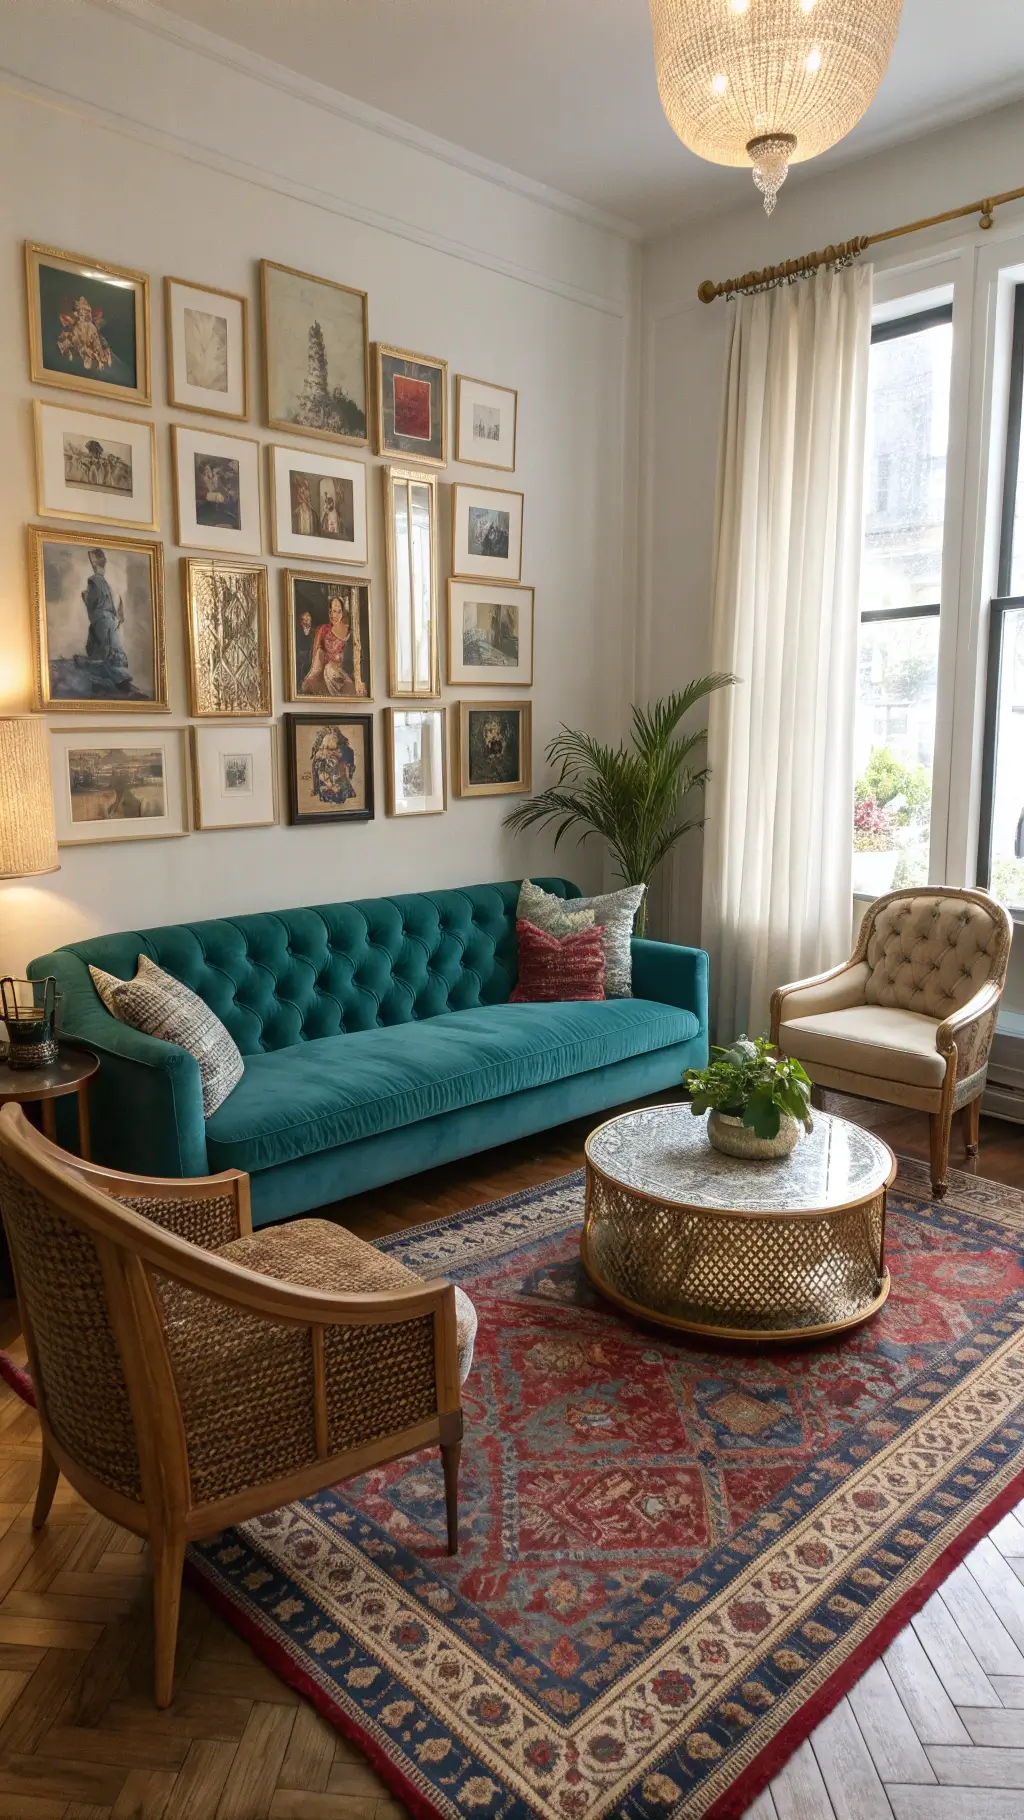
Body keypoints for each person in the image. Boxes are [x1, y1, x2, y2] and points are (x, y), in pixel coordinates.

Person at [81, 548, 132, 691]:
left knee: (102, 650)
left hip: (101, 620)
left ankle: (113, 682)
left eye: (92, 560)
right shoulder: (107, 584)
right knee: (111, 649)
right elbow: (114, 605)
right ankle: (120, 682)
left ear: (96, 562)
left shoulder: (93, 581)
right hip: (109, 620)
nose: (91, 563)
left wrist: (85, 597)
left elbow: (93, 603)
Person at [302, 594, 362, 696]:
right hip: (326, 671)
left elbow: (354, 653)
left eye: (339, 612)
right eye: (334, 611)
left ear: (343, 613)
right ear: (330, 612)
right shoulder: (324, 630)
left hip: (342, 671)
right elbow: (314, 636)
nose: (336, 615)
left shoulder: (348, 630)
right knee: (327, 670)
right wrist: (306, 626)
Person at [310, 725, 356, 805]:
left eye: (331, 749)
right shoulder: (319, 762)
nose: (325, 754)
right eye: (322, 748)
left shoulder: (344, 764)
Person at [294, 607, 315, 691]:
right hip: (300, 655)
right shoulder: (297, 631)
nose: (307, 620)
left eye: (308, 618)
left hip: (311, 655)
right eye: (305, 618)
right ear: (301, 621)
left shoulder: (313, 631)